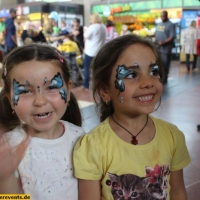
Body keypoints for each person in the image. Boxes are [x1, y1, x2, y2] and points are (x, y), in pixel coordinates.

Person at [73, 34, 191, 200]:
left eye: (153, 71)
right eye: (131, 75)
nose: (147, 82)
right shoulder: (94, 145)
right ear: (105, 90)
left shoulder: (172, 136)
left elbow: (178, 191)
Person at [0, 43, 85, 198]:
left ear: (68, 88)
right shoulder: (8, 148)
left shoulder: (81, 139)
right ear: (10, 99)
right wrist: (5, 180)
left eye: (51, 87)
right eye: (25, 91)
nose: (40, 101)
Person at [82, 12, 106, 90]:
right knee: (98, 69)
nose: (90, 21)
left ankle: (86, 85)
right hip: (99, 52)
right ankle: (99, 85)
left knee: (87, 69)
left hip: (90, 52)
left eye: (91, 19)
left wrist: (85, 30)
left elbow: (86, 36)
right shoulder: (103, 27)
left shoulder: (92, 27)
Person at [155, 10, 176, 84]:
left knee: (165, 64)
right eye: (161, 16)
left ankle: (164, 78)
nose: (162, 17)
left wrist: (164, 42)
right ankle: (159, 77)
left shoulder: (170, 25)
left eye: (164, 16)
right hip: (158, 48)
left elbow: (172, 36)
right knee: (158, 64)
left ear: (167, 16)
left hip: (166, 49)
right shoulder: (159, 24)